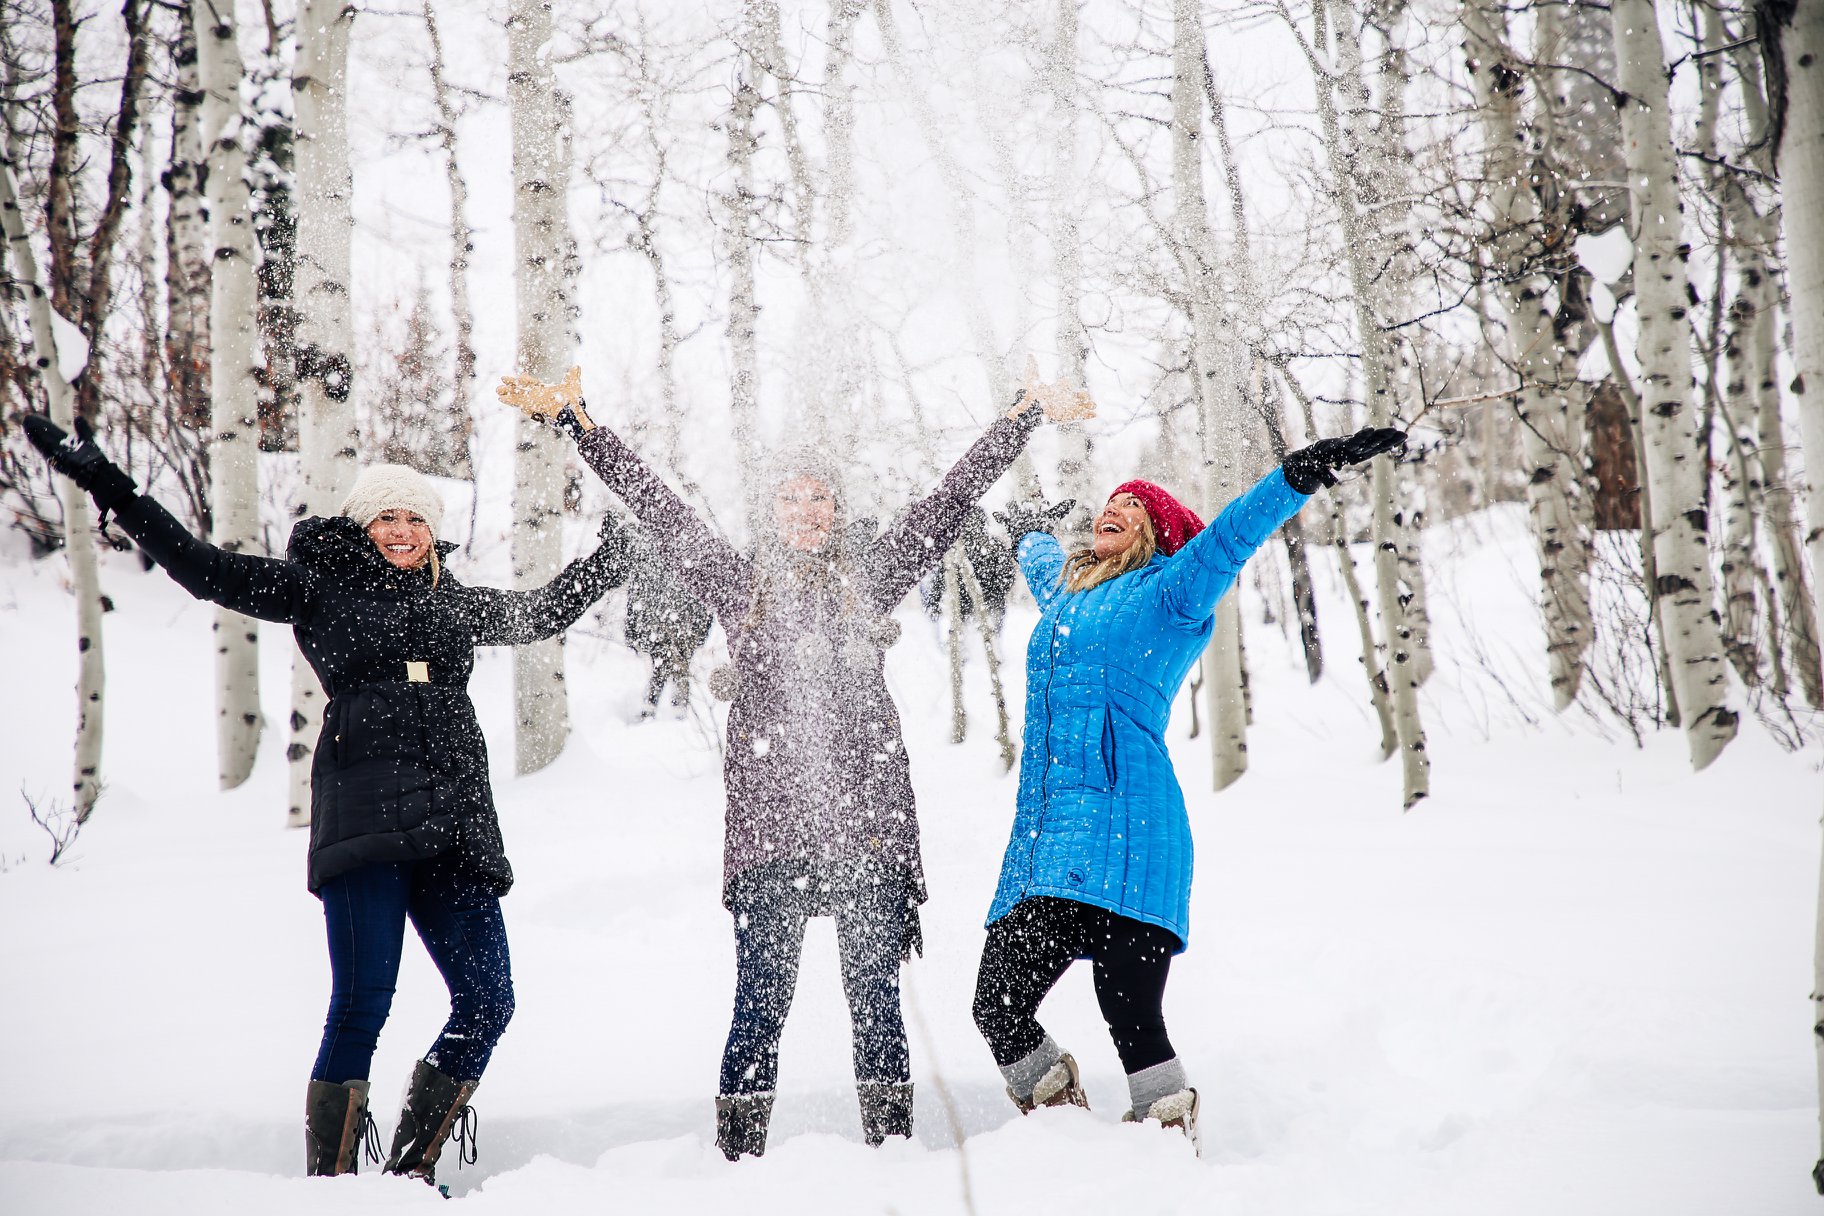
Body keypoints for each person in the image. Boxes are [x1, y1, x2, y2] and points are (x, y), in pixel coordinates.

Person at [493, 365, 1090, 1159]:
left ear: (837, 510)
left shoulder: (871, 580)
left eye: (819, 497)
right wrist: (579, 422)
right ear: (770, 514)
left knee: (875, 1003)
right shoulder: (741, 588)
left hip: (867, 838)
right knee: (759, 1007)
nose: (805, 511)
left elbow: (950, 502)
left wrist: (1019, 421)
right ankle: (740, 1163)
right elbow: (660, 510)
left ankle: (894, 1154)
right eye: (789, 498)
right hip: (773, 838)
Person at [22, 415, 630, 1183]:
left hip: (453, 823)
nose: (402, 530)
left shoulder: (455, 602)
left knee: (489, 999)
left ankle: (410, 1174)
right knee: (363, 1002)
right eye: (387, 517)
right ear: (363, 524)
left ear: (432, 531)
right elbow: (203, 567)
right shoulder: (319, 587)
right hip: (366, 816)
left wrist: (608, 563)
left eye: (415, 518)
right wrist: (108, 485)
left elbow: (540, 611)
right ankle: (333, 1190)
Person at [970, 427, 1405, 1152]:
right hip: (1052, 848)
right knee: (996, 1006)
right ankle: (1055, 1131)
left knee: (1132, 1019)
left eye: (1132, 506)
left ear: (1159, 534)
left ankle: (1165, 1138)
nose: (1114, 508)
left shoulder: (1172, 594)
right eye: (1109, 502)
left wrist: (1296, 478)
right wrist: (1027, 534)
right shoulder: (1071, 601)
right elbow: (1049, 569)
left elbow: (1230, 539)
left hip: (1133, 841)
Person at [620, 520, 713, 717]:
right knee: (670, 665)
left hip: (674, 624)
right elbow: (637, 593)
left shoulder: (678, 557)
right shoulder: (663, 554)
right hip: (668, 624)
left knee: (669, 665)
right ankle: (668, 708)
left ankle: (664, 707)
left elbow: (703, 601)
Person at [918, 505, 1016, 633]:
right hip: (989, 604)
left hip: (965, 606)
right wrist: (995, 593)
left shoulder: (956, 550)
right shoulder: (994, 545)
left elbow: (943, 577)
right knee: (991, 639)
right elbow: (1008, 575)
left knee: (970, 641)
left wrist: (934, 602)